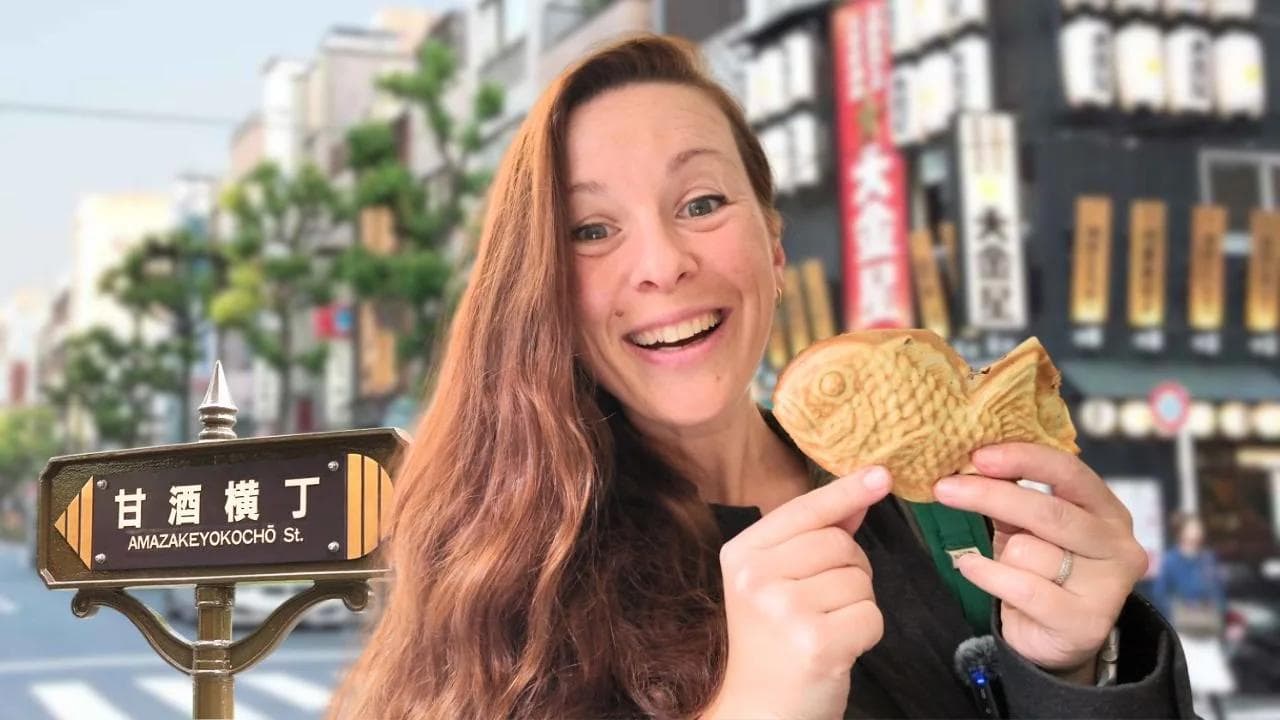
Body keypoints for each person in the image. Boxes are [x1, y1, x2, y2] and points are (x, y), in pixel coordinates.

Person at [328, 35, 1196, 719]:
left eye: (702, 203)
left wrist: (1078, 672)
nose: (662, 265)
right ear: (541, 286)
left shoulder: (951, 510)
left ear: (774, 247)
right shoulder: (510, 564)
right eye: (591, 230)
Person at [1154, 513, 1234, 718]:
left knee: (1213, 681)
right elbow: (1161, 592)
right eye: (1193, 527)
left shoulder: (1207, 558)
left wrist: (1222, 615)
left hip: (1207, 627)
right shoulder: (1172, 560)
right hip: (1185, 628)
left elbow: (1218, 589)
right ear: (1181, 531)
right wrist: (1176, 612)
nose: (1198, 531)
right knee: (1189, 681)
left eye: (1198, 527)